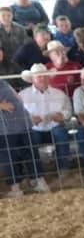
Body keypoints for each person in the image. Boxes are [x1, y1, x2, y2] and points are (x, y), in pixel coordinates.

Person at [0, 63, 47, 197]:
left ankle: (36, 182)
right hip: (5, 126)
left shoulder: (2, 81)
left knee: (28, 152)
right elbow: (18, 98)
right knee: (11, 156)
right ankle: (18, 187)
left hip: (19, 121)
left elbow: (18, 98)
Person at [19, 63, 74, 174]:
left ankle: (63, 169)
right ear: (32, 79)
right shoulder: (22, 95)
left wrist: (62, 116)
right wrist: (29, 120)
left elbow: (68, 110)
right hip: (34, 129)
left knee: (61, 133)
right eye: (38, 76)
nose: (42, 78)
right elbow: (18, 115)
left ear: (48, 77)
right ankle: (36, 173)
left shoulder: (59, 94)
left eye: (44, 75)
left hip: (55, 126)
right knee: (29, 140)